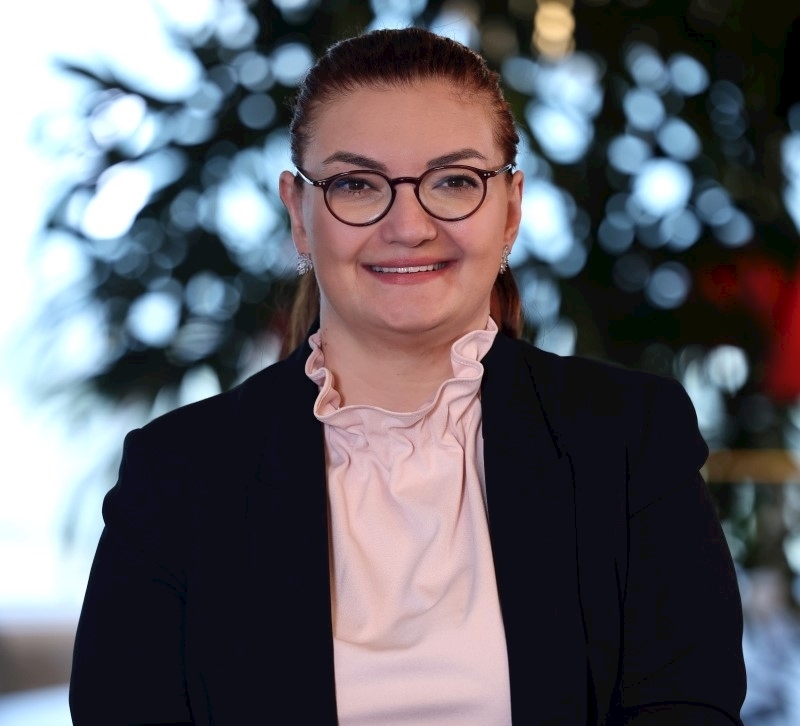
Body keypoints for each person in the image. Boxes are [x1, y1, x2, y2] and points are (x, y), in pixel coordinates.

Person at [69, 27, 746, 726]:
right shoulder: (176, 474)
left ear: (511, 209)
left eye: (453, 182)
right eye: (356, 185)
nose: (408, 225)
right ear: (299, 214)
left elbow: (687, 707)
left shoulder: (630, 439)